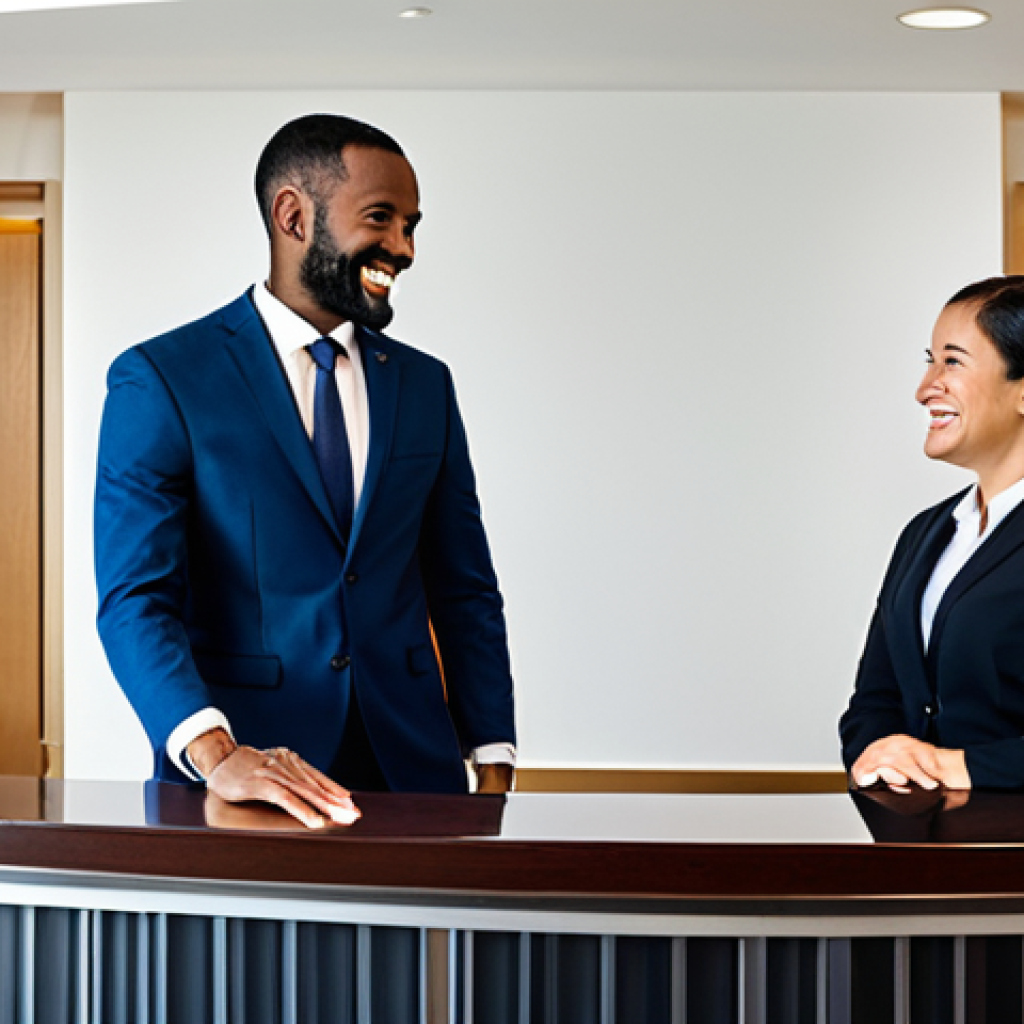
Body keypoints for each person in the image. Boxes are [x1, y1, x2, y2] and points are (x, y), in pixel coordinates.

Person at [95, 114, 516, 828]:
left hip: (415, 770)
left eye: (412, 225)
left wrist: (493, 752)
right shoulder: (163, 380)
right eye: (381, 219)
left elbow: (464, 587)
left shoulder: (425, 387)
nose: (404, 248)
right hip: (242, 777)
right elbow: (136, 599)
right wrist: (217, 751)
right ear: (292, 215)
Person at [840, 275, 1024, 793]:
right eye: (930, 361)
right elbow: (874, 701)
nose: (925, 390)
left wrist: (960, 766)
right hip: (920, 847)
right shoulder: (926, 533)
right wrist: (879, 752)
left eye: (953, 361)